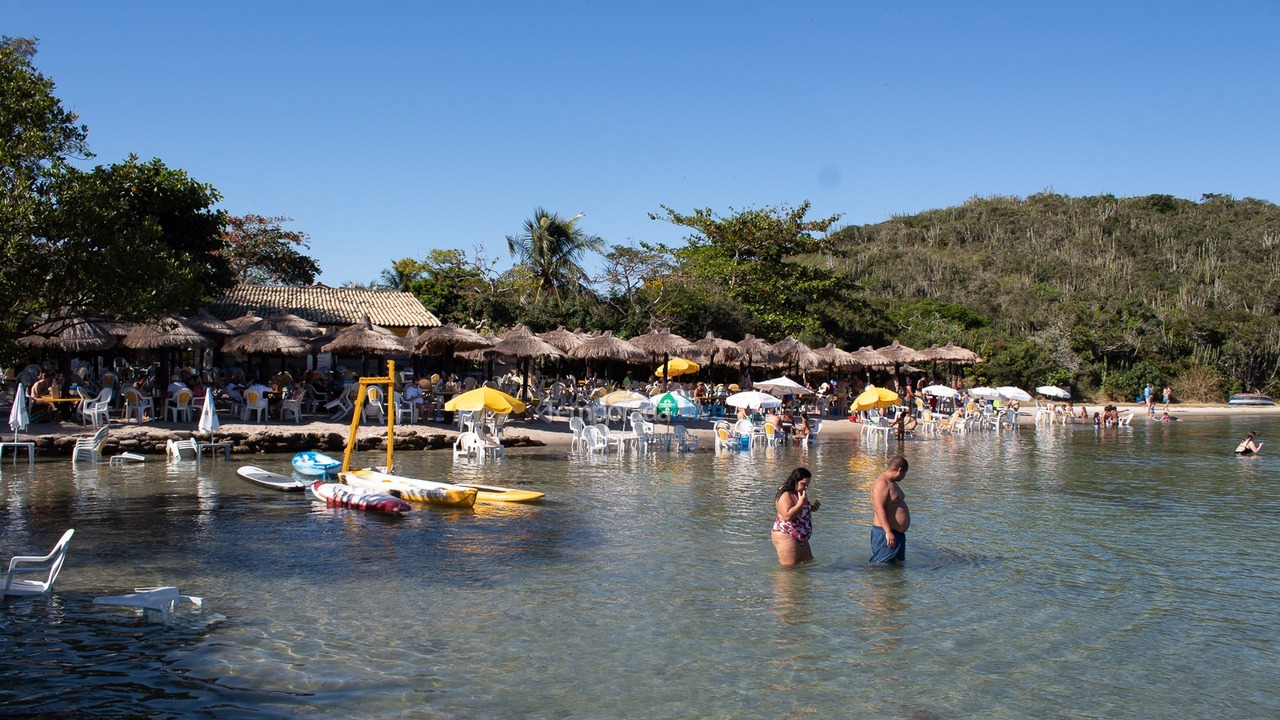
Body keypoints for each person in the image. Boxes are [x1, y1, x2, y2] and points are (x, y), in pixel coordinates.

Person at [771, 467, 819, 566]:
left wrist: (813, 507)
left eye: (807, 485)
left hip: (801, 535)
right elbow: (787, 516)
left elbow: (801, 511)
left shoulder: (799, 493)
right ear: (795, 481)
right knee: (789, 570)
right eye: (803, 484)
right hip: (786, 534)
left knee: (808, 564)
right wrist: (801, 502)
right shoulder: (785, 494)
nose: (806, 487)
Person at [870, 456, 910, 564]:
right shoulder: (882, 483)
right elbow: (878, 508)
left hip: (896, 534)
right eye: (904, 474)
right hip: (886, 533)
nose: (903, 477)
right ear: (900, 470)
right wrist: (888, 531)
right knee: (880, 567)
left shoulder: (891, 483)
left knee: (896, 567)